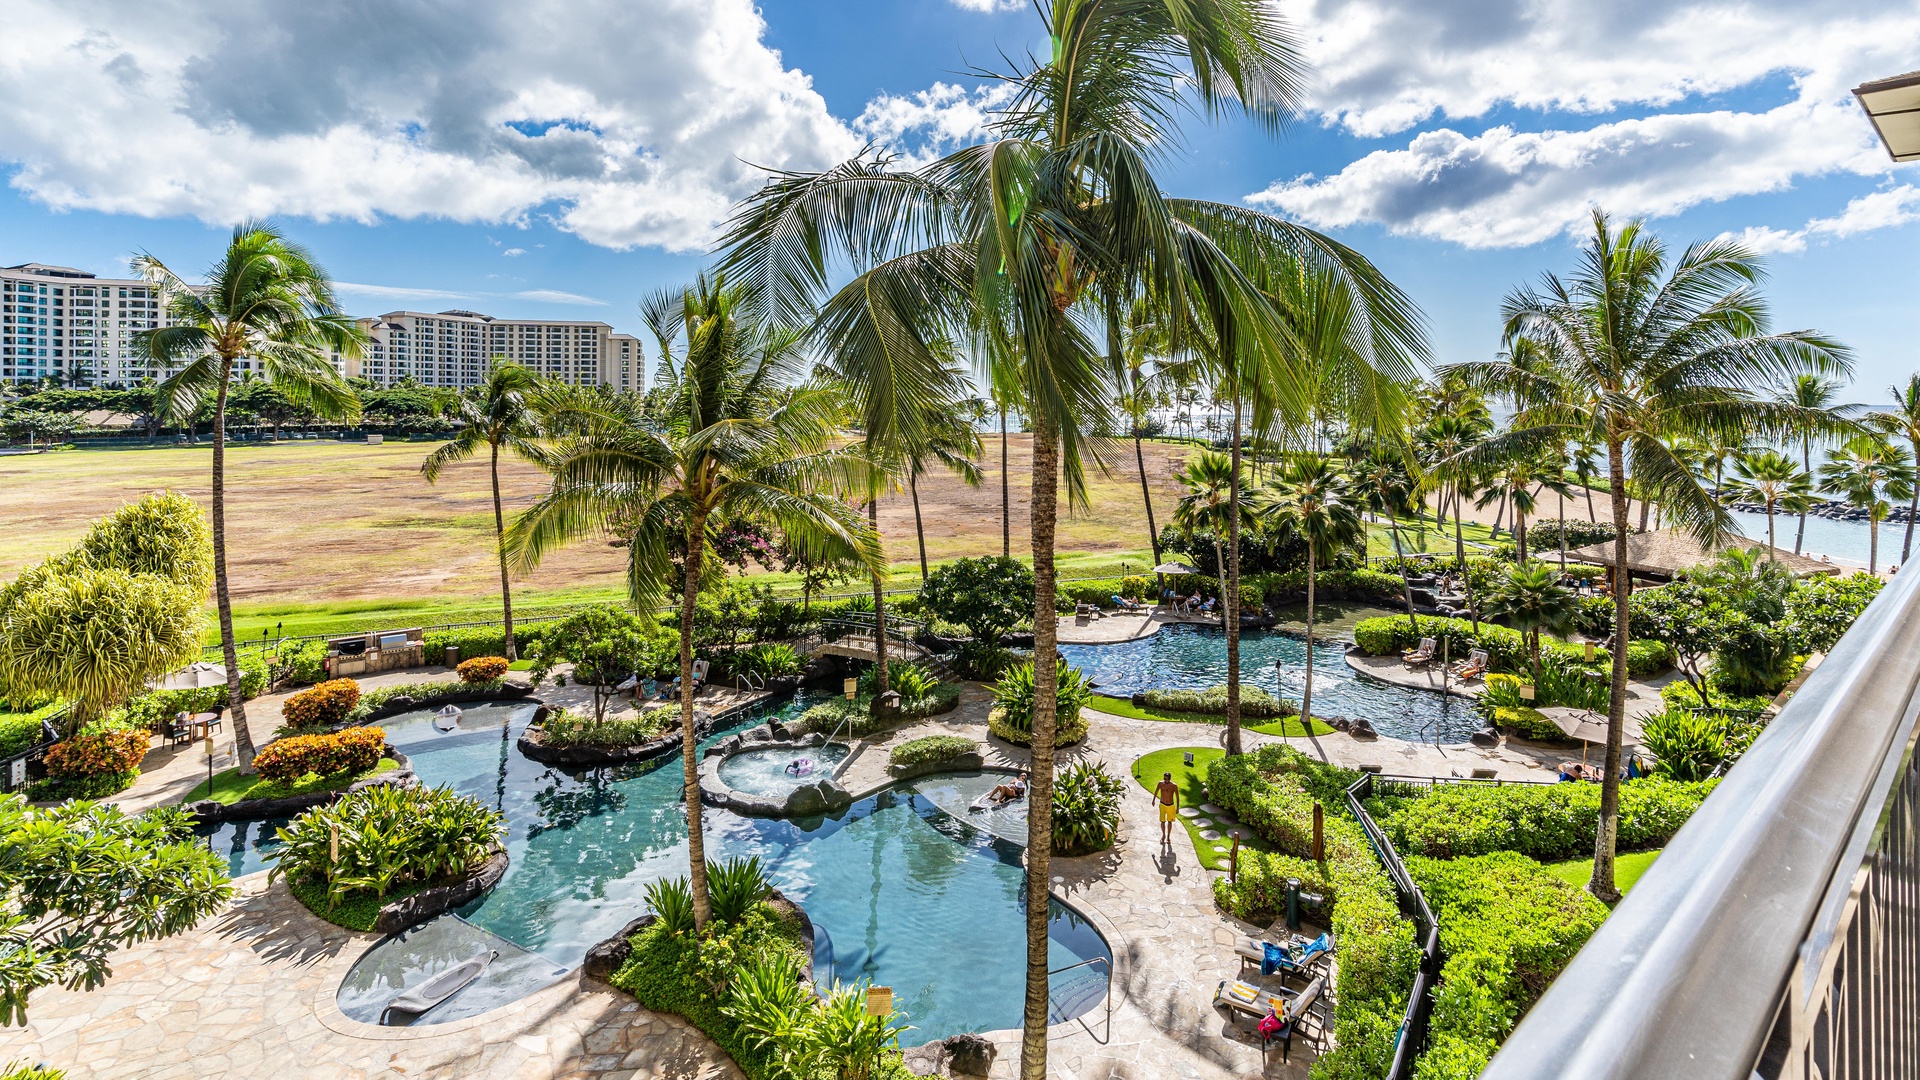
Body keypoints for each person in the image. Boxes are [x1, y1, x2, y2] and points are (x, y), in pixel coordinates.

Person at [1153, 771, 1181, 846]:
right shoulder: (1160, 784)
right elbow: (1156, 791)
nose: (1166, 780)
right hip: (1162, 804)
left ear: (1170, 779)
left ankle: (1168, 836)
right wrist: (1153, 800)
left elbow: (1177, 797)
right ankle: (1163, 835)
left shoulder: (1174, 786)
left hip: (1170, 806)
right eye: (1164, 779)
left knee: (1169, 822)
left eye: (1167, 779)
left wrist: (1177, 808)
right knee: (1162, 821)